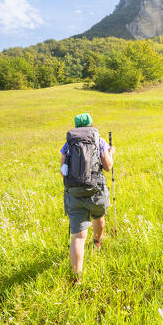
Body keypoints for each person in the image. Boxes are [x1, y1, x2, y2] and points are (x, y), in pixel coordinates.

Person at [60, 113, 115, 284]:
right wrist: (111, 153)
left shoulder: (69, 143)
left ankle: (77, 278)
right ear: (91, 125)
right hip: (95, 191)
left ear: (76, 126)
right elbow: (108, 167)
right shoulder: (99, 140)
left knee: (78, 237)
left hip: (74, 192)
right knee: (98, 217)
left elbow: (62, 169)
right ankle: (97, 242)